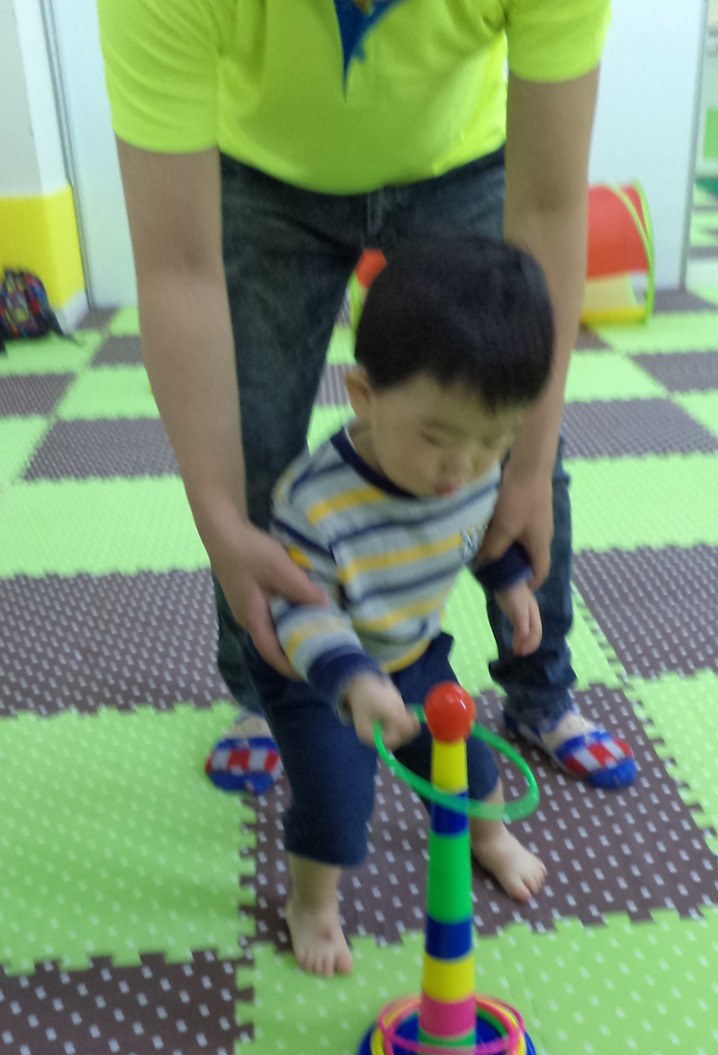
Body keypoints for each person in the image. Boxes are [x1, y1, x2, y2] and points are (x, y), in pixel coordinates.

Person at [97, 0, 636, 799]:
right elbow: (178, 270)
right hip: (262, 176)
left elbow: (550, 207)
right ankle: (264, 694)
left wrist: (522, 468)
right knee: (251, 453)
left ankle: (541, 688)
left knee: (507, 426)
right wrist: (218, 519)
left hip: (459, 163)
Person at [246, 237, 551, 973]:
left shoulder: (474, 466)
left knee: (468, 762)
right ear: (363, 396)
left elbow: (474, 532)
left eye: (495, 439)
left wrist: (507, 579)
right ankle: (311, 903)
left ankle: (486, 835)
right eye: (438, 438)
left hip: (415, 653)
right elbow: (298, 610)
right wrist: (353, 679)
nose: (463, 467)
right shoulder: (314, 502)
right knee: (335, 804)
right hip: (318, 676)